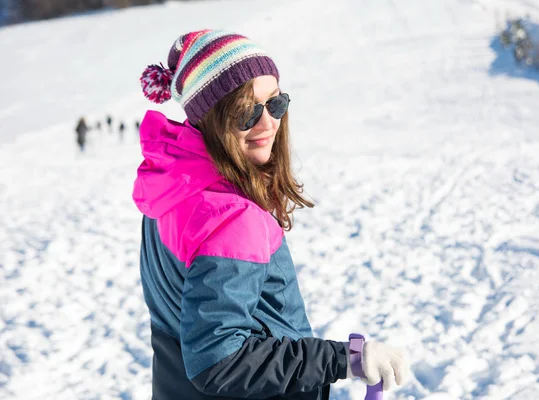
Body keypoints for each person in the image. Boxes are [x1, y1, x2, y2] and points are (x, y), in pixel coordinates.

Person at [133, 30, 409, 400]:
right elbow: (218, 359)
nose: (268, 124)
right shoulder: (232, 217)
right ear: (210, 116)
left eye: (276, 104)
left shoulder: (169, 188)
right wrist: (347, 360)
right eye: (247, 111)